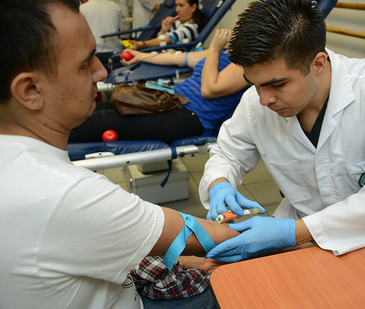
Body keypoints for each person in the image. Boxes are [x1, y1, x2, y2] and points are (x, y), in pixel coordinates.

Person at [0, 1, 242, 308]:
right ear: (30, 90)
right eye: (85, 63)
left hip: (183, 113)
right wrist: (298, 233)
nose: (101, 71)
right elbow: (205, 235)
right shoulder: (68, 193)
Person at [199, 0, 365, 263]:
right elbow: (228, 155)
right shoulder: (255, 103)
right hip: (304, 237)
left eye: (278, 84)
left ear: (318, 64)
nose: (264, 99)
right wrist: (219, 184)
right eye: (255, 84)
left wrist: (291, 232)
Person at [69, 27, 249, 144]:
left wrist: (215, 50)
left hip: (189, 117)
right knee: (101, 107)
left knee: (102, 120)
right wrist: (141, 55)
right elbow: (178, 59)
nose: (234, 27)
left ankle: (46, 139)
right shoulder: (225, 52)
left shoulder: (247, 63)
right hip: (170, 98)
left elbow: (209, 89)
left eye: (242, 23)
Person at [129, 0, 204, 50]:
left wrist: (141, 44)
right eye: (176, 5)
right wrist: (163, 31)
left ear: (193, 7)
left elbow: (167, 39)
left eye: (181, 5)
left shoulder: (190, 28)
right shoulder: (177, 23)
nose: (176, 10)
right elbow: (160, 42)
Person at [80, 0, 124, 72]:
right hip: (115, 55)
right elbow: (119, 33)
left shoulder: (83, 8)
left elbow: (81, 35)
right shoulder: (115, 7)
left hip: (93, 55)